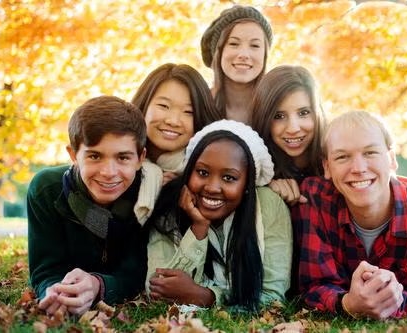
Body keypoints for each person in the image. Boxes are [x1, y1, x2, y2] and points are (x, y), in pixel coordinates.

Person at [292, 111, 407, 319]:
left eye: (370, 153)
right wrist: (347, 304)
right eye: (342, 157)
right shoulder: (315, 198)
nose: (359, 168)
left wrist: (390, 300)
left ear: (391, 159)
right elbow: (314, 284)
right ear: (327, 166)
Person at [146, 119, 292, 311]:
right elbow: (159, 290)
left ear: (247, 184)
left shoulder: (269, 206)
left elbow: (272, 298)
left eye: (229, 178)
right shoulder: (169, 207)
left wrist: (206, 297)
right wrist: (198, 230)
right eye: (202, 172)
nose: (213, 187)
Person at [27, 96, 149, 316]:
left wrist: (98, 286)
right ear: (73, 155)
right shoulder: (46, 190)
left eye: (123, 158)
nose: (109, 172)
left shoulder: (147, 197)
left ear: (140, 158)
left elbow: (137, 272)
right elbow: (45, 268)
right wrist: (53, 292)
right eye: (94, 156)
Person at [131, 63, 225, 224]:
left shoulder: (208, 180)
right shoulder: (114, 165)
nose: (173, 121)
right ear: (144, 104)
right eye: (164, 106)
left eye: (189, 112)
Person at [251, 65, 326, 206]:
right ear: (264, 119)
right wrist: (266, 190)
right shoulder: (254, 169)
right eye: (279, 116)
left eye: (303, 113)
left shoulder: (336, 158)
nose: (293, 128)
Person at [200, 4, 273, 124]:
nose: (244, 54)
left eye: (254, 45)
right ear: (218, 52)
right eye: (234, 44)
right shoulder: (198, 106)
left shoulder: (279, 107)